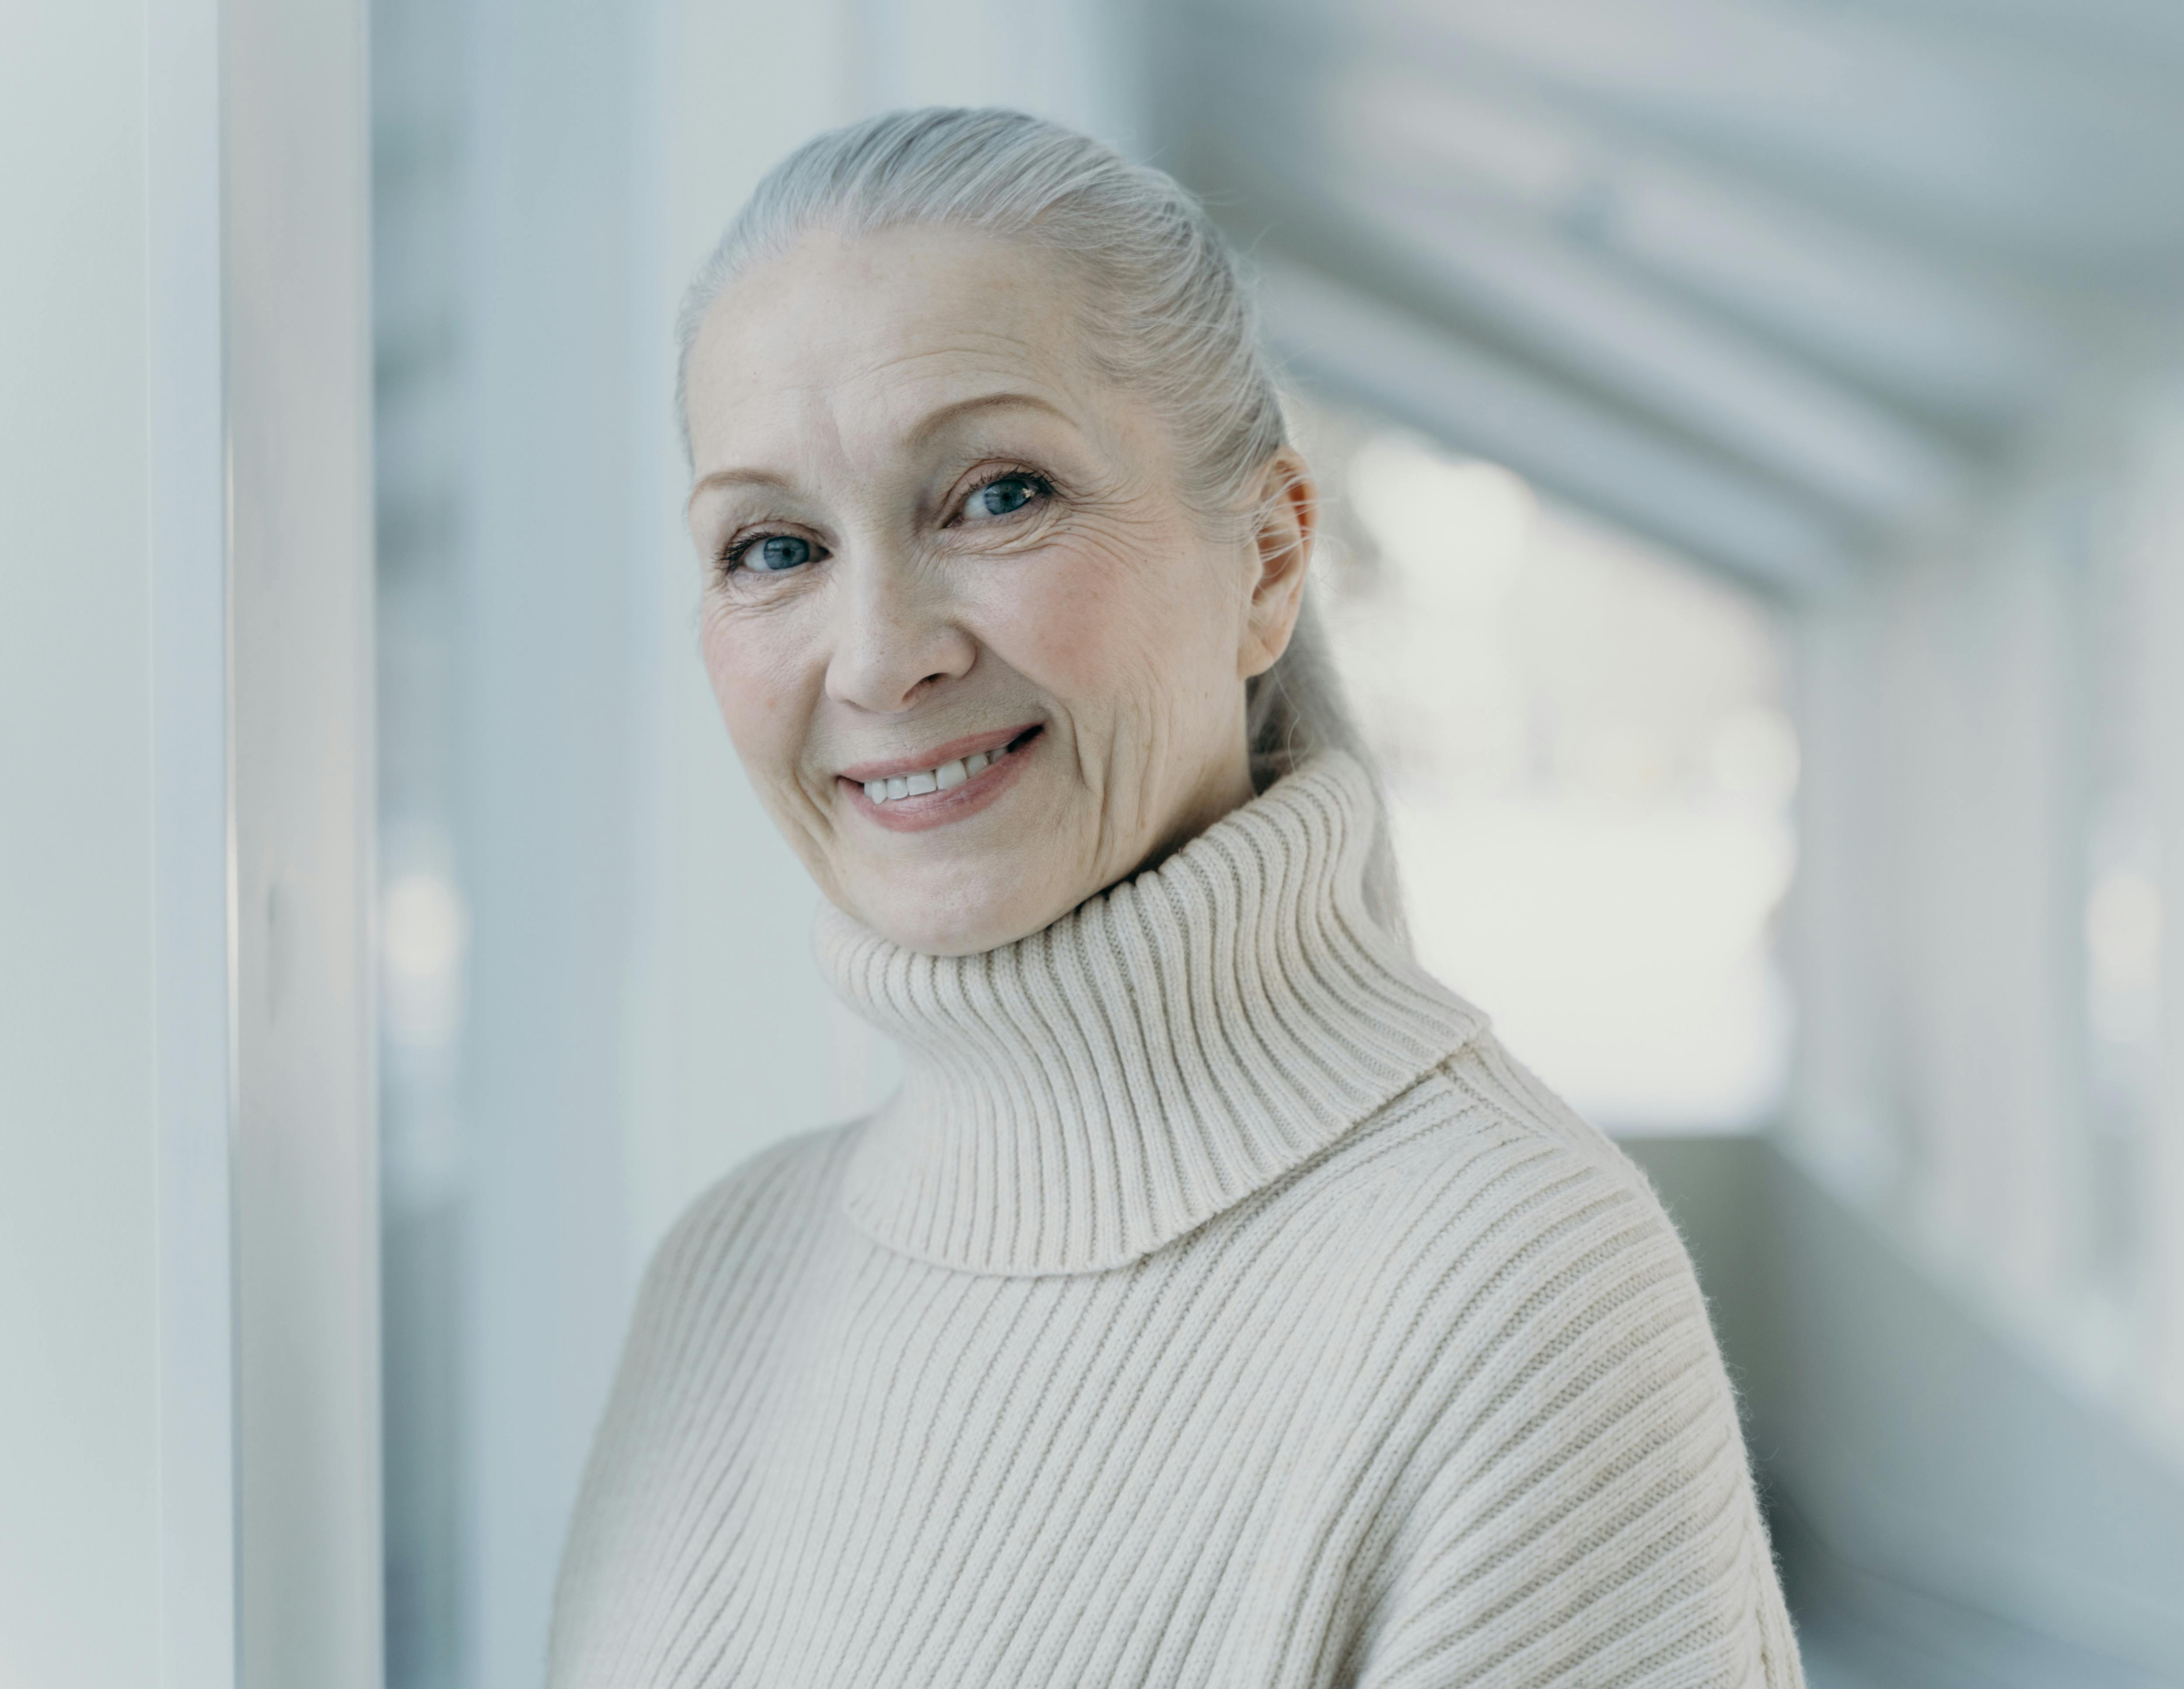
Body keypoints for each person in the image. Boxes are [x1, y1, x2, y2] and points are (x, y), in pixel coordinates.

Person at [550, 107, 1802, 1688]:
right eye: (774, 544)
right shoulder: (725, 1273)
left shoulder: (1510, 1288)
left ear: (1270, 559)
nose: (877, 656)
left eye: (997, 495)